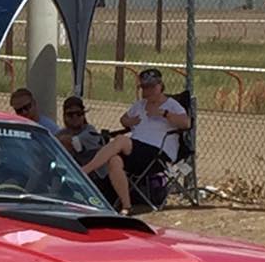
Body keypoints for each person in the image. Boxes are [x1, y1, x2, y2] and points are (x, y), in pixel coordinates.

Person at [81, 68, 189, 215]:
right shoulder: (139, 105)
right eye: (144, 87)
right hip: (137, 152)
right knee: (114, 161)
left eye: (151, 87)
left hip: (158, 153)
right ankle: (126, 206)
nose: (148, 91)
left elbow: (186, 123)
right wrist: (129, 121)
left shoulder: (171, 105)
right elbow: (123, 119)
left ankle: (84, 171)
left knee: (120, 140)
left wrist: (165, 114)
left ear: (160, 86)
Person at [56, 96, 104, 166]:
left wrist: (58, 140)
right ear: (64, 116)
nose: (75, 117)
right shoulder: (61, 133)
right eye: (70, 114)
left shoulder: (90, 131)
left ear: (83, 115)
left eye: (79, 113)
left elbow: (72, 142)